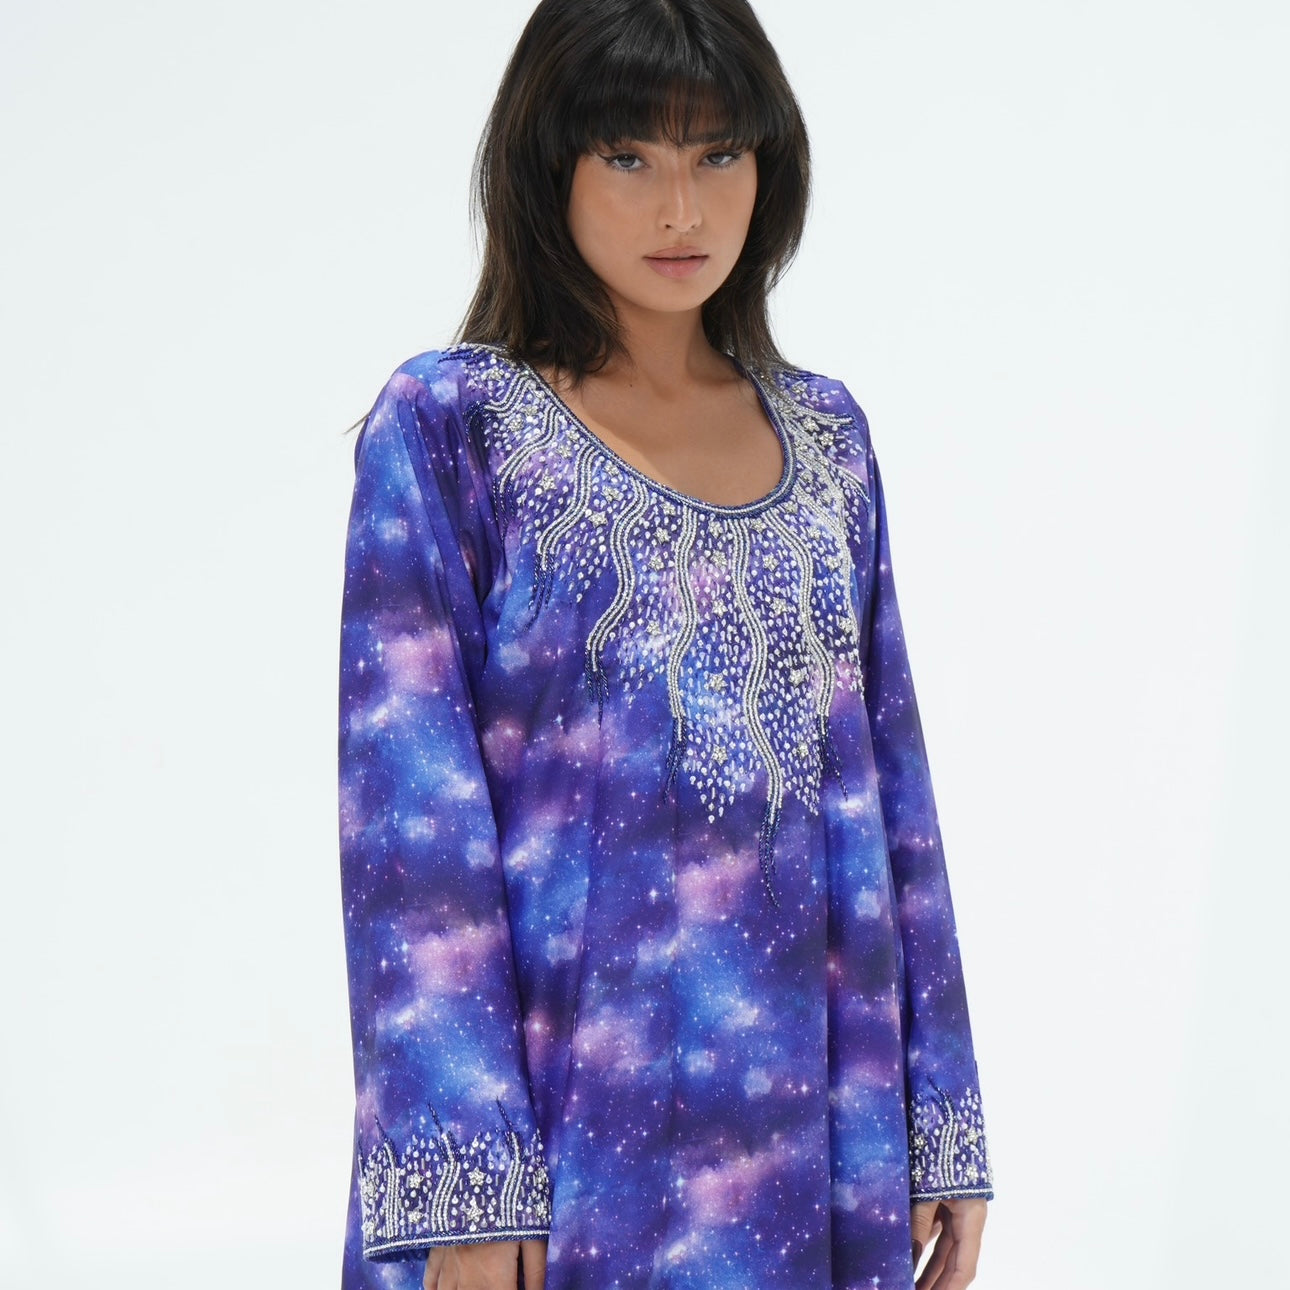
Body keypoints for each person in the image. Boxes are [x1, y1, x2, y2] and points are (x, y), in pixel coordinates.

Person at [336, 2, 995, 1287]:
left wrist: (939, 1117)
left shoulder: (828, 442)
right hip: (562, 1147)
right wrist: (470, 1185)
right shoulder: (452, 430)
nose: (681, 208)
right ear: (551, 165)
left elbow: (895, 803)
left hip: (813, 1142)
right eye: (630, 155)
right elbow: (412, 846)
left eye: (718, 153)